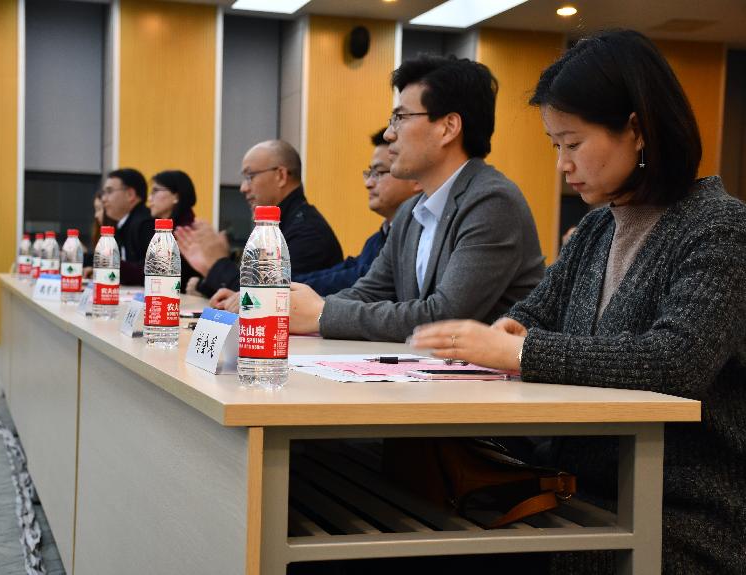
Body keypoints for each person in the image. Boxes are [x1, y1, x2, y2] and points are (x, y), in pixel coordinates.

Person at [410, 30, 746, 575]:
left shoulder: (720, 228)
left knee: (436, 552)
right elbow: (534, 315)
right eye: (555, 146)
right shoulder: (596, 228)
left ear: (636, 130)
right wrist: (508, 331)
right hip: (576, 485)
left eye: (573, 143)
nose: (562, 164)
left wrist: (521, 352)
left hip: (679, 509)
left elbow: (676, 362)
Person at [289, 54, 545, 342]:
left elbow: (445, 317)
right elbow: (369, 292)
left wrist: (322, 314)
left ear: (448, 127)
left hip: (489, 371)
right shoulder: (411, 210)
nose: (389, 134)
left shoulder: (492, 202)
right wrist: (296, 308)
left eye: (400, 118)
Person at [211, 128, 421, 310]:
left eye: (380, 172)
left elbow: (354, 281)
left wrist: (268, 293)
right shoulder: (378, 238)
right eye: (370, 173)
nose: (368, 183)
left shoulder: (308, 232)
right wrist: (272, 291)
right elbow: (350, 273)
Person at [177, 140, 343, 298]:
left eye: (250, 176)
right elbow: (249, 282)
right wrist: (206, 282)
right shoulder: (275, 227)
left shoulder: (308, 233)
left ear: (281, 176)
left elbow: (267, 296)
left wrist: (217, 263)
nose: (243, 188)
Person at [100, 168, 154, 285]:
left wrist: (111, 264)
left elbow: (152, 269)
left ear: (130, 194)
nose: (103, 199)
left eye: (109, 191)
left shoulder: (146, 223)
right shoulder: (125, 223)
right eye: (104, 193)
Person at [149, 170, 198, 288]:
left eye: (155, 191)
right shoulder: (161, 229)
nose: (149, 198)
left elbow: (157, 270)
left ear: (176, 196)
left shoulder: (186, 231)